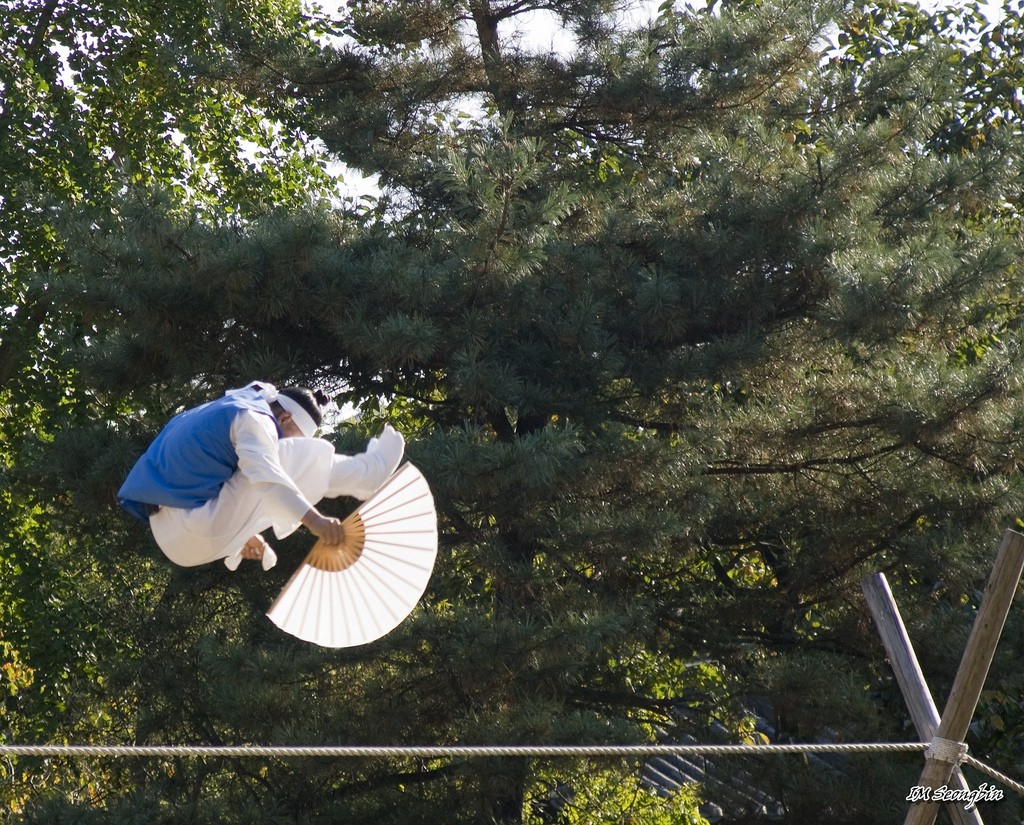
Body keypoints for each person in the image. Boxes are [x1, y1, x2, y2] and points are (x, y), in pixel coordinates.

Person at [118, 381, 404, 570]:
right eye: (296, 434)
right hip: (194, 531)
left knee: (263, 464)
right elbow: (267, 477)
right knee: (284, 459)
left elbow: (206, 481)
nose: (290, 440)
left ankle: (366, 475)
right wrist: (315, 521)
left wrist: (242, 534)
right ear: (285, 418)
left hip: (168, 530)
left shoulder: (228, 407)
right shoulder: (255, 419)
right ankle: (367, 475)